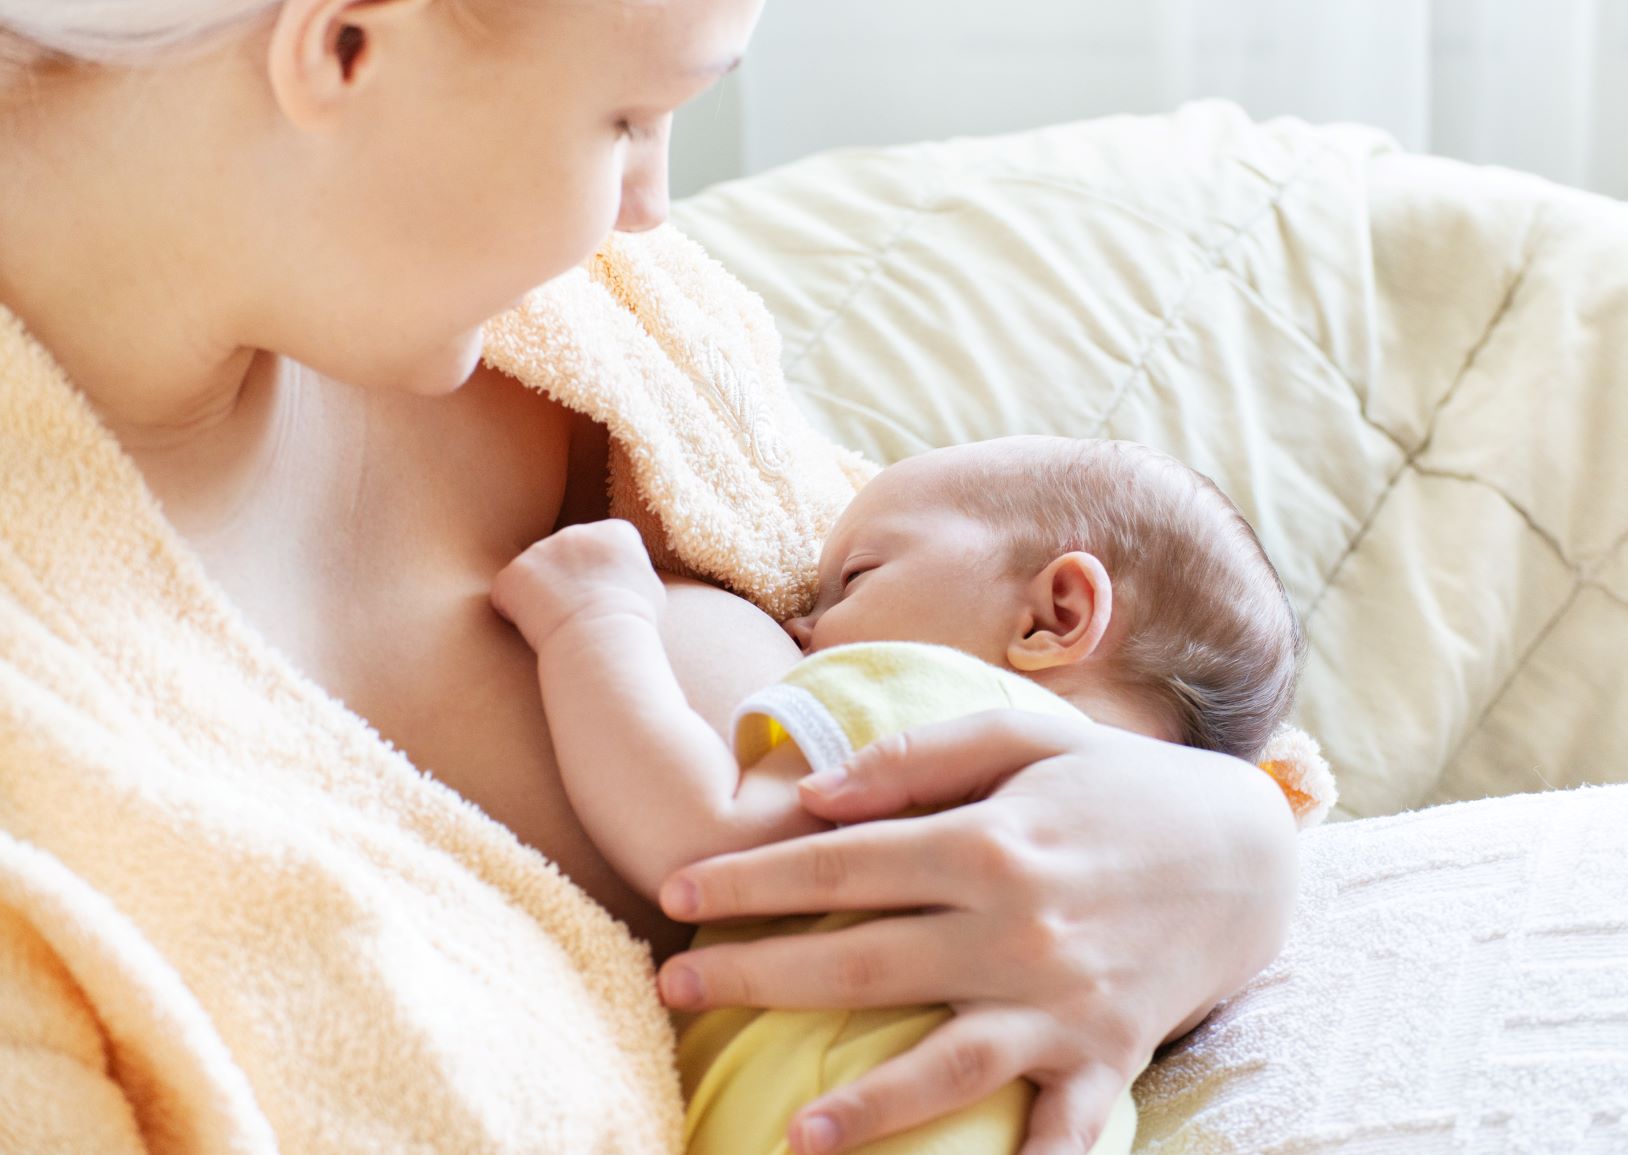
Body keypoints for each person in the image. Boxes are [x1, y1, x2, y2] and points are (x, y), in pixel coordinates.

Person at [0, 3, 1298, 1154]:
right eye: (628, 116)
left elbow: (1115, 679)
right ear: (346, 44)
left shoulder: (605, 316)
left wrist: (1232, 854)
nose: (649, 206)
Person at [490, 434, 1317, 1155]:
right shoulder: (1168, 954)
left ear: (1052, 615)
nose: (799, 631)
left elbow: (705, 851)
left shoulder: (932, 693)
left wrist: (594, 620)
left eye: (855, 577)